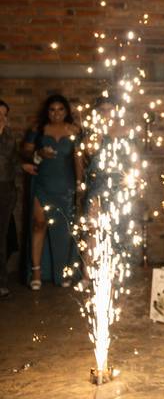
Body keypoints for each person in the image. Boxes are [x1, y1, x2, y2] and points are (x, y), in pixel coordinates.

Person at [22, 95, 83, 289]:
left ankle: (64, 271)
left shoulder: (74, 130)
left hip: (65, 185)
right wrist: (39, 154)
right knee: (39, 225)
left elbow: (78, 158)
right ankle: (37, 272)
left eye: (60, 109)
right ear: (47, 112)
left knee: (64, 229)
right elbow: (25, 152)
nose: (56, 113)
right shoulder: (38, 130)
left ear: (66, 111)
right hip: (42, 183)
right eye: (52, 110)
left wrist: (80, 183)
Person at [0, 100, 19, 297]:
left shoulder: (9, 136)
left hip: (5, 190)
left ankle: (1, 281)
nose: (1, 117)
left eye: (4, 114)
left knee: (1, 236)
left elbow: (12, 160)